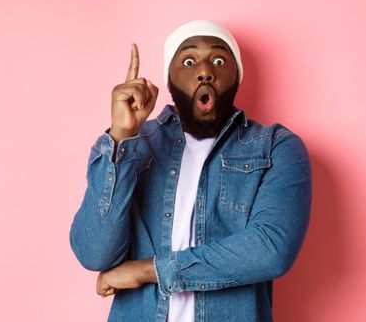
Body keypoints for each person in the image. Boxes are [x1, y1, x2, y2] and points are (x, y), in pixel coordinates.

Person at [70, 20, 312, 321]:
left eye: (220, 60)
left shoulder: (277, 147)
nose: (205, 70)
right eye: (188, 60)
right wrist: (121, 137)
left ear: (236, 76)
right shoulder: (133, 146)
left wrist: (150, 270)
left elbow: (271, 249)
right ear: (168, 79)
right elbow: (94, 253)